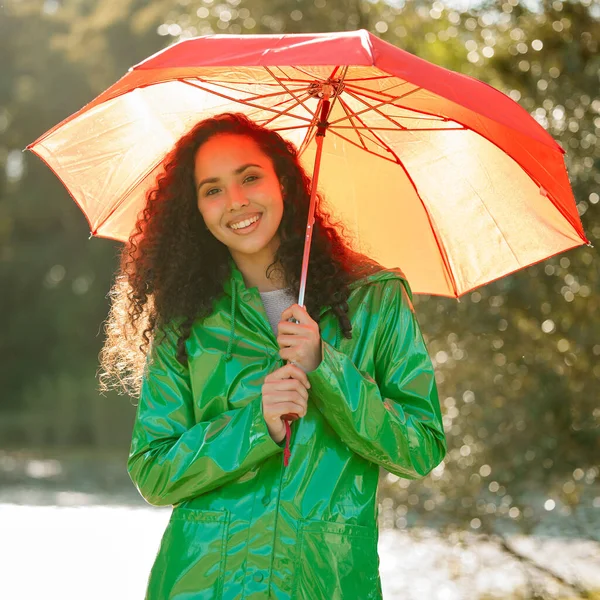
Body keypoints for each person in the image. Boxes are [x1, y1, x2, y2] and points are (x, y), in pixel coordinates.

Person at [98, 112, 447, 600]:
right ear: (194, 209)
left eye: (249, 177)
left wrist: (327, 366)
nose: (236, 201)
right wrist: (256, 426)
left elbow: (421, 447)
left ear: (282, 180)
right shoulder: (187, 320)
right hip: (202, 584)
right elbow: (154, 471)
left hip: (325, 582)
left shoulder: (375, 300)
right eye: (212, 189)